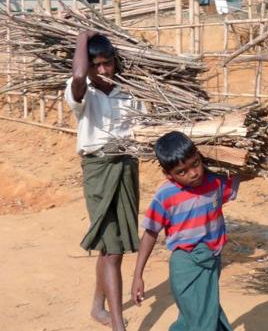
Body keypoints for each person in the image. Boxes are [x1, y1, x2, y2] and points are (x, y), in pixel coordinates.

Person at [65, 31, 142, 331]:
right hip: (98, 171)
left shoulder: (131, 92)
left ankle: (98, 306)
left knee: (111, 244)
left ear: (115, 61)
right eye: (96, 65)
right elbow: (79, 74)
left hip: (126, 169)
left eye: (107, 63)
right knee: (114, 250)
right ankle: (118, 325)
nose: (103, 71)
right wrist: (83, 35)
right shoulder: (80, 92)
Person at [131, 131, 239, 331]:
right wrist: (138, 275)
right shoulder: (166, 195)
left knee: (201, 314)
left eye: (195, 163)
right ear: (168, 174)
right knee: (202, 321)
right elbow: (151, 232)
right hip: (186, 264)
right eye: (182, 171)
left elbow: (243, 171)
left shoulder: (215, 182)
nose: (193, 173)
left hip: (213, 259)